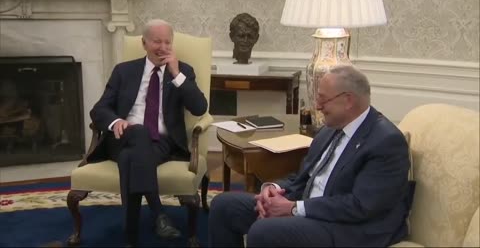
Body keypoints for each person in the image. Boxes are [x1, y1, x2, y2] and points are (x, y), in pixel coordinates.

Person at [208, 64, 411, 247]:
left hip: (350, 228)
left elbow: (360, 206)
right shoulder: (329, 130)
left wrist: (294, 208)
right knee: (224, 206)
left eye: (323, 99)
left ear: (348, 100)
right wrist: (274, 189)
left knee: (263, 232)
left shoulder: (385, 142)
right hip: (310, 211)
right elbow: (302, 177)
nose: (318, 106)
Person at [88, 19, 208, 246]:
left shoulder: (183, 71)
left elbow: (200, 108)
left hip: (162, 143)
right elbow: (99, 109)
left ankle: (131, 238)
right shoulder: (124, 71)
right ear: (144, 43)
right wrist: (115, 122)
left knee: (130, 158)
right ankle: (158, 214)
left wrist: (176, 74)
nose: (162, 47)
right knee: (137, 135)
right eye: (156, 41)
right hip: (121, 138)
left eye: (167, 42)